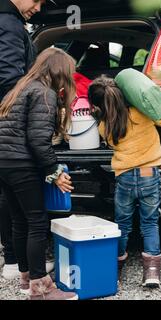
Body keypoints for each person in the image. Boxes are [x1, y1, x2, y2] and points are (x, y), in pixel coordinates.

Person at [0, 47, 78, 300]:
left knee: (19, 220)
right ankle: (40, 290)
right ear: (59, 71)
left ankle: (26, 278)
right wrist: (54, 171)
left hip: (5, 162)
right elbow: (37, 140)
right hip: (21, 163)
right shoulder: (45, 93)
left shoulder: (21, 87)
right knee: (37, 221)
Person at [88, 76, 161, 288]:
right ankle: (152, 272)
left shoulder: (105, 125)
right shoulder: (141, 113)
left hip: (125, 176)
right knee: (149, 222)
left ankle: (116, 268)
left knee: (123, 224)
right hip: (148, 172)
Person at [0, 0, 53, 281]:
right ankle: (31, 276)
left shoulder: (10, 21)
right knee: (32, 216)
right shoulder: (8, 23)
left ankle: (17, 265)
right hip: (13, 136)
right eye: (37, 0)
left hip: (5, 141)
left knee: (11, 199)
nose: (39, 7)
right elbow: (9, 78)